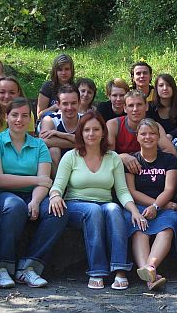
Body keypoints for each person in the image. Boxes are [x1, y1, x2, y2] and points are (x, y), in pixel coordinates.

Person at [49, 111, 143, 290]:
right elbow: (58, 186)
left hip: (104, 203)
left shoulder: (113, 157)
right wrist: (54, 196)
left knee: (114, 209)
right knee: (94, 210)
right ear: (81, 133)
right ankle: (97, 270)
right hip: (76, 204)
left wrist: (135, 211)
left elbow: (122, 191)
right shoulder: (71, 156)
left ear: (103, 132)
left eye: (96, 129)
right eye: (86, 130)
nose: (91, 134)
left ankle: (120, 269)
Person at [0, 98, 68, 289]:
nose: (19, 120)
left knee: (59, 210)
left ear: (30, 119)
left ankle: (29, 268)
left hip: (33, 194)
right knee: (14, 206)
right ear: (6, 117)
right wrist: (35, 181)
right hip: (2, 194)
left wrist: (36, 201)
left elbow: (45, 179)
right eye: (14, 115)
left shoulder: (39, 145)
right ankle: (2, 267)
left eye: (25, 115)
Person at [124, 118, 177, 291]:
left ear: (159, 137)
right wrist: (156, 206)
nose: (148, 137)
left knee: (167, 227)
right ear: (137, 136)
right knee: (139, 229)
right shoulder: (132, 161)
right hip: (140, 206)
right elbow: (132, 191)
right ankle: (150, 276)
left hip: (162, 205)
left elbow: (170, 189)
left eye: (152, 133)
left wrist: (158, 207)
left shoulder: (169, 160)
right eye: (143, 133)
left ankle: (150, 267)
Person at [107, 89, 176, 174]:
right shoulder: (114, 125)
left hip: (149, 172)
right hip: (121, 172)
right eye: (131, 105)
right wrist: (121, 157)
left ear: (146, 106)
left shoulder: (155, 126)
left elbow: (171, 152)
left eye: (139, 104)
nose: (135, 109)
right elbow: (106, 155)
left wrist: (147, 160)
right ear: (124, 108)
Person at [39, 84, 81, 178]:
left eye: (73, 103)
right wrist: (82, 143)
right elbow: (43, 141)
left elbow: (97, 143)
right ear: (58, 105)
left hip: (81, 162)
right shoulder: (50, 119)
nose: (69, 108)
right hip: (57, 164)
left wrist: (60, 134)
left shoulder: (86, 120)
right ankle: (58, 186)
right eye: (65, 103)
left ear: (79, 103)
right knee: (54, 150)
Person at [147, 73, 177, 142]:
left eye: (169, 85)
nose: (165, 88)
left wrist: (171, 135)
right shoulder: (150, 107)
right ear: (156, 89)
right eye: (161, 85)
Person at [37, 54, 75, 118]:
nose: (63, 73)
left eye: (67, 69)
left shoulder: (75, 88)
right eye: (60, 69)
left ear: (71, 70)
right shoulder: (47, 87)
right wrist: (55, 106)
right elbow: (39, 115)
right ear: (55, 71)